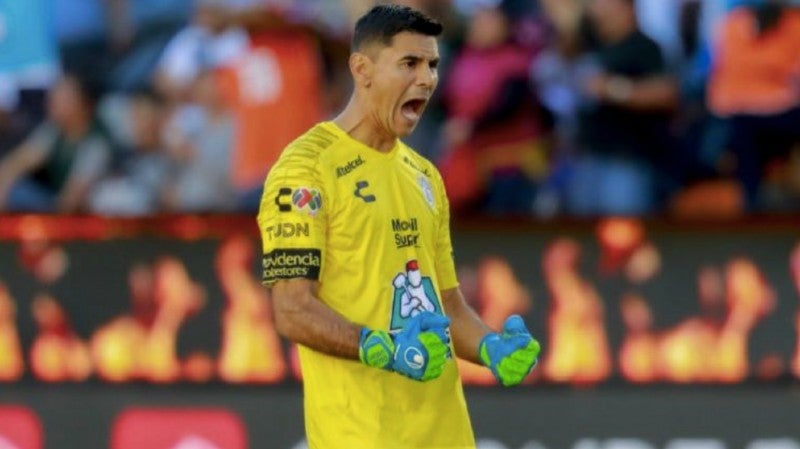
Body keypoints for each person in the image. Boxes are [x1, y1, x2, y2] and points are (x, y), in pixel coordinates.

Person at [256, 5, 541, 449]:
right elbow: (292, 309)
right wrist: (381, 348)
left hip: (446, 435)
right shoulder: (305, 168)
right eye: (409, 63)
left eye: (433, 65)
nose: (426, 79)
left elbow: (447, 306)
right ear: (362, 69)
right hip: (362, 435)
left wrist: (489, 347)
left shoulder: (425, 176)